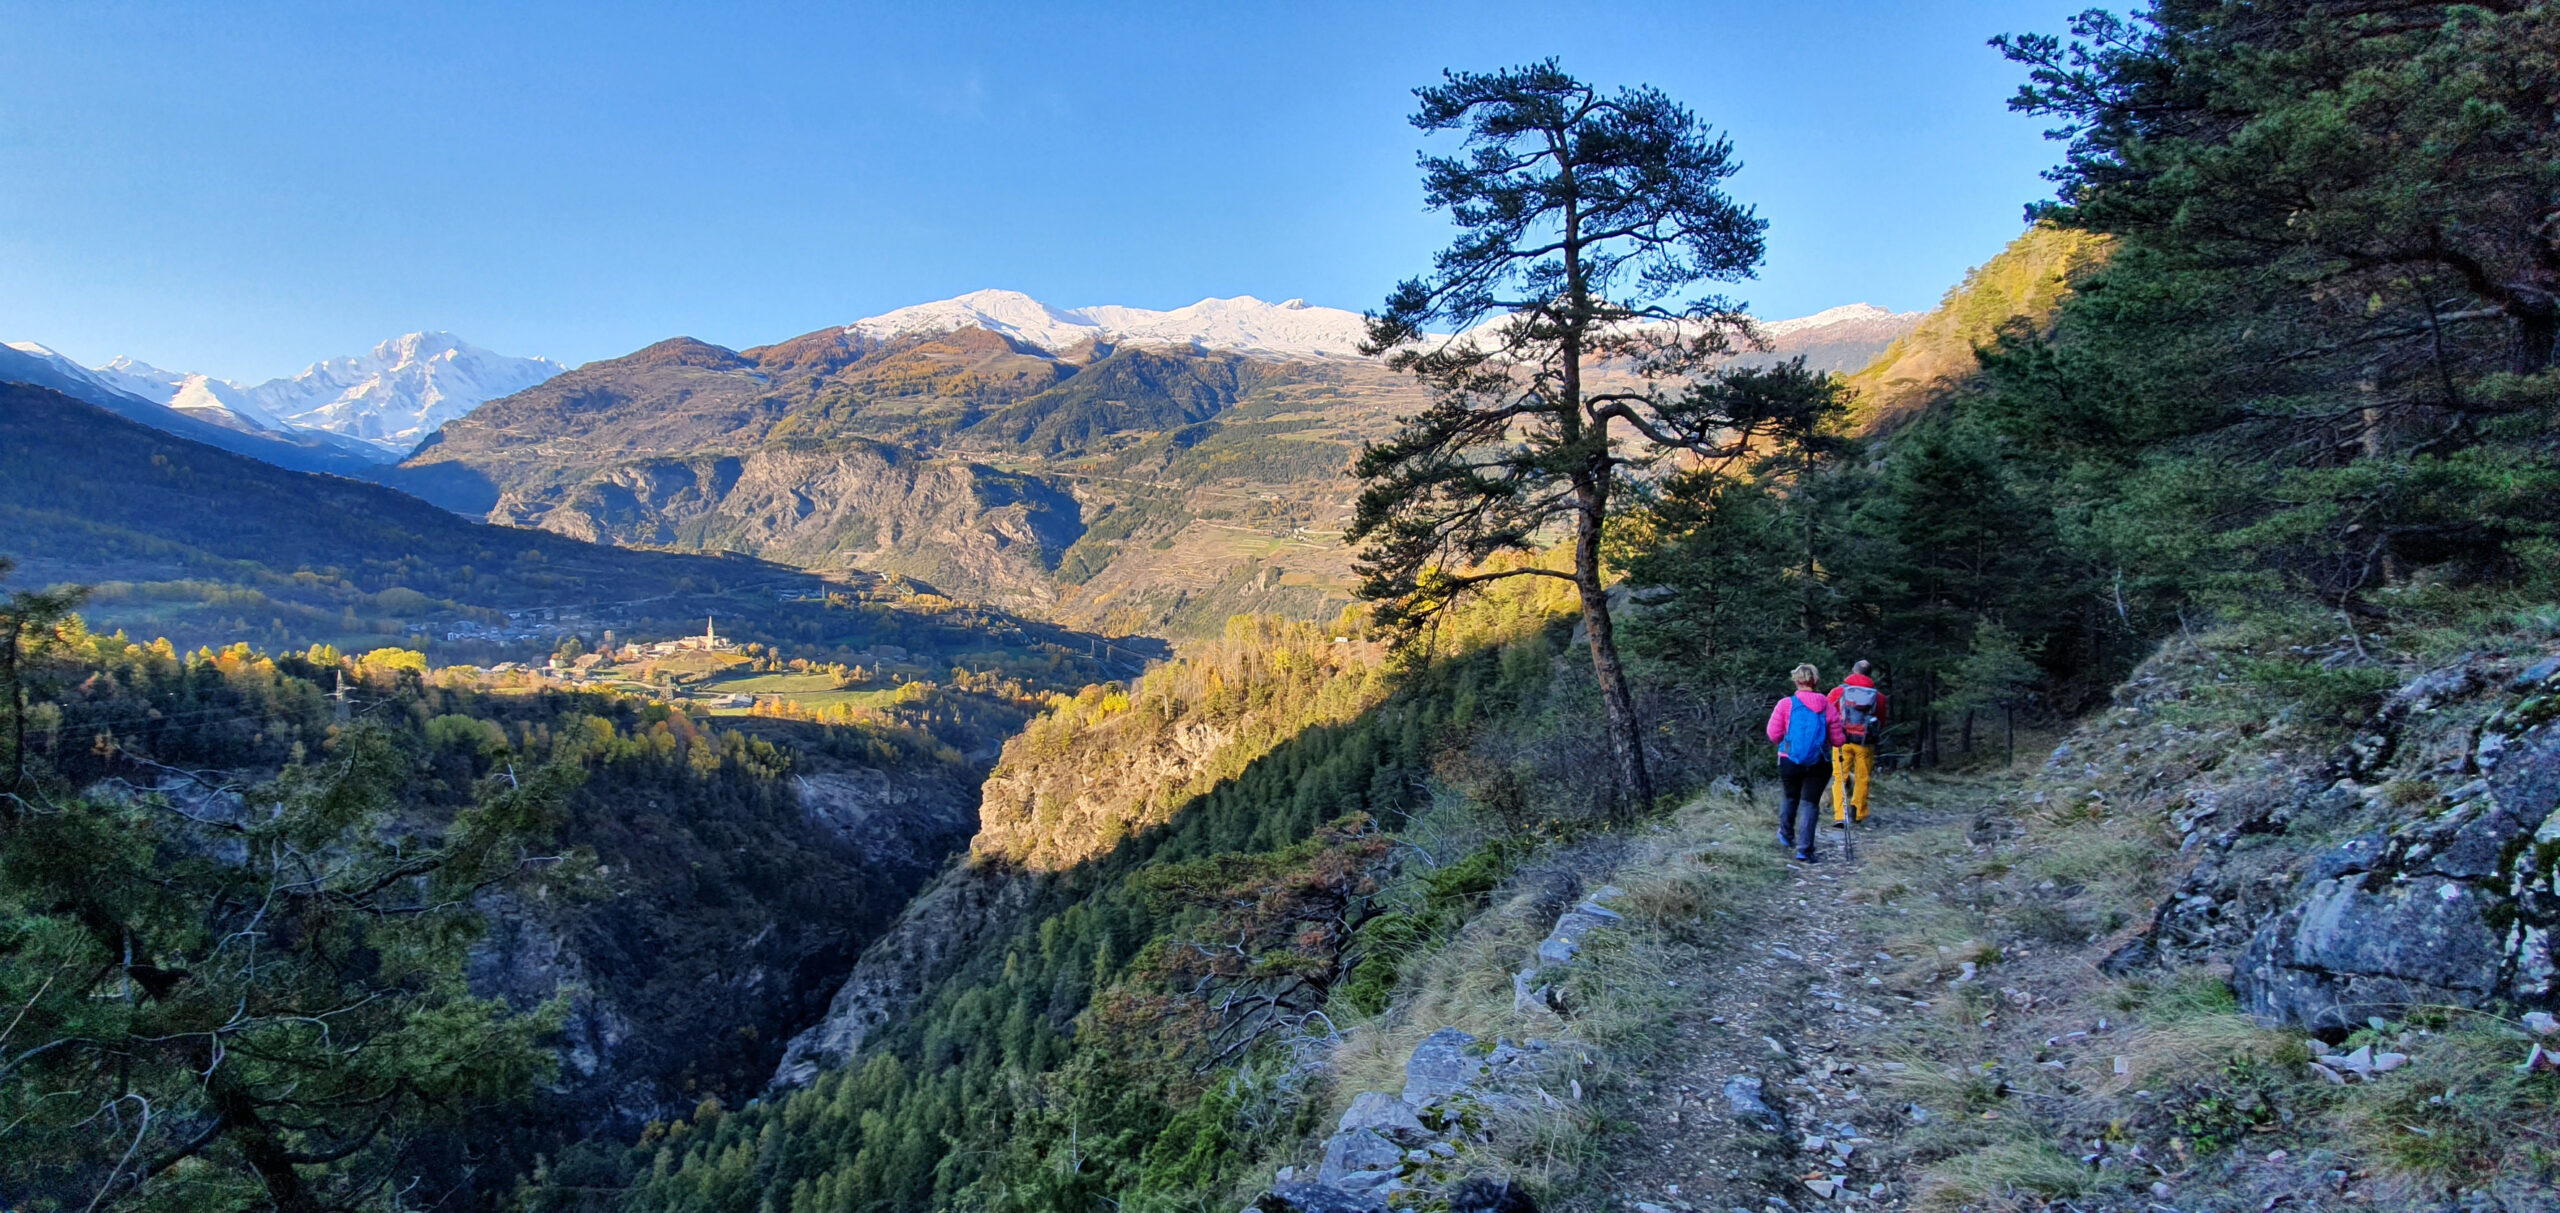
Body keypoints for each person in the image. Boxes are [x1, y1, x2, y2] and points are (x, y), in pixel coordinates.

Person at [1765, 663, 1844, 862]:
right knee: (1810, 804)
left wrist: (1788, 743)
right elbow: (1838, 740)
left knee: (1790, 797)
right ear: (1815, 681)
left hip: (1789, 759)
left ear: (1796, 680)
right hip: (1820, 761)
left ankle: (1785, 835)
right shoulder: (1827, 705)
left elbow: (1773, 735)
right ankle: (1805, 850)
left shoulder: (1786, 704)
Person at [1829, 659, 1888, 826]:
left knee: (1840, 776)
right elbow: (1881, 720)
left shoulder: (1839, 691)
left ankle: (1840, 815)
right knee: (1863, 777)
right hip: (1865, 742)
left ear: (1853, 671)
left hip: (1842, 741)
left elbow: (1829, 713)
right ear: (1870, 674)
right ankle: (1859, 812)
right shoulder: (1878, 697)